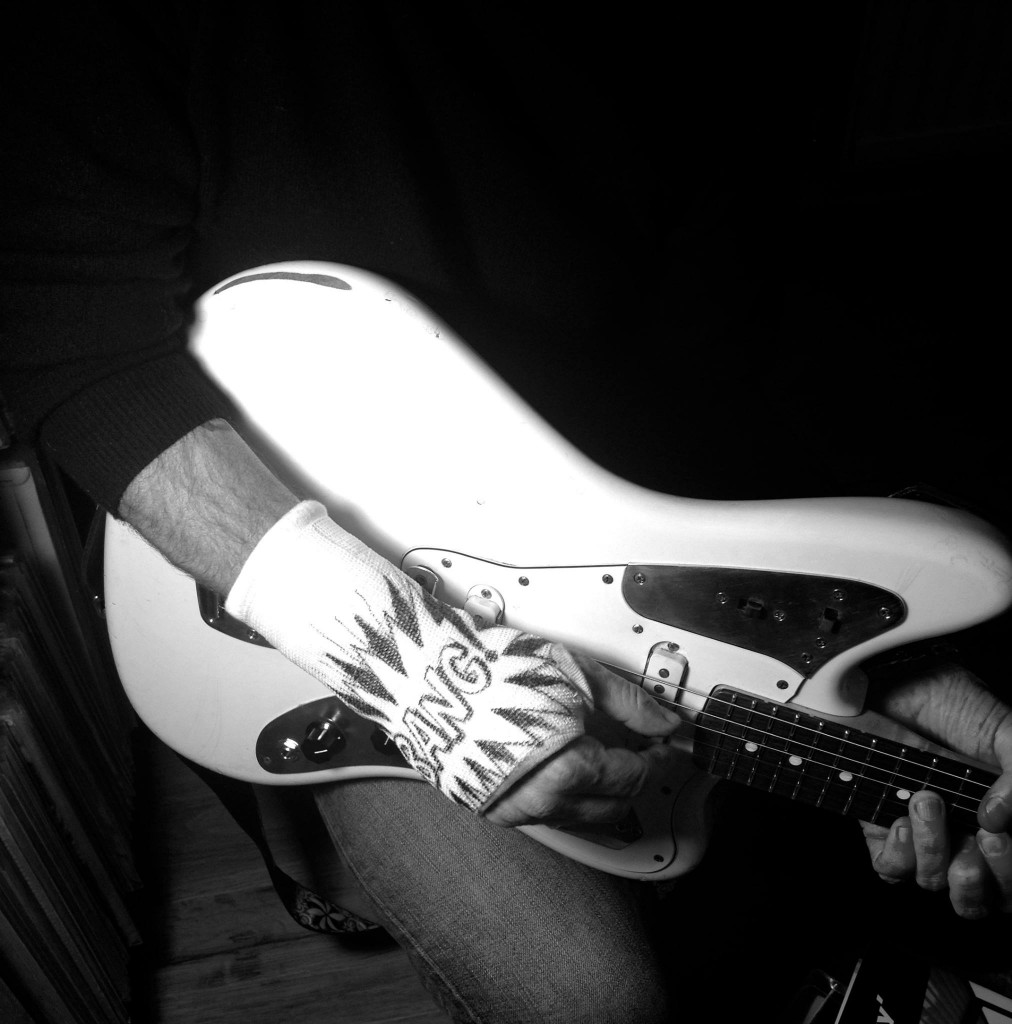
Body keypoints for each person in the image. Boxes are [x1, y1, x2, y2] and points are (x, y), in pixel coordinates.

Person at [3, 4, 1011, 1021]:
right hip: (293, 603)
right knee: (587, 999)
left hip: (637, 543)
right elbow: (67, 337)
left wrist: (873, 654)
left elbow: (746, 341)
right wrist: (427, 681)